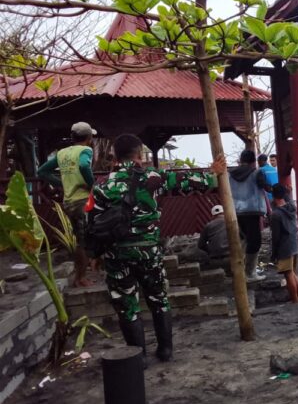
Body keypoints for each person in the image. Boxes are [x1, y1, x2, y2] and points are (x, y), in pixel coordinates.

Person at [90, 133, 226, 361]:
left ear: (115, 156)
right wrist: (213, 172)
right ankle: (165, 350)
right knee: (158, 299)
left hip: (116, 254)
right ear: (139, 155)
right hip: (149, 252)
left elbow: (93, 223)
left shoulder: (102, 186)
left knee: (127, 306)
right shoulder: (153, 177)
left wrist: (95, 254)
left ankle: (137, 357)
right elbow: (193, 181)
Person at [37, 121, 97, 287]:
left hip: (69, 202)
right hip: (82, 201)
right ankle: (81, 278)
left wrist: (61, 183)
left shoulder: (62, 153)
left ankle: (80, 275)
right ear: (89, 137)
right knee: (84, 241)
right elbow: (84, 165)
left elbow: (41, 171)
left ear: (72, 136)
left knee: (80, 239)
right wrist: (92, 184)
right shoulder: (86, 150)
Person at [229, 149, 268, 279]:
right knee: (255, 241)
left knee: (244, 239)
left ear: (241, 160)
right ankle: (250, 272)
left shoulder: (230, 174)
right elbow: (266, 187)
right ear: (253, 161)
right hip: (252, 210)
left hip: (236, 211)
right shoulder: (257, 173)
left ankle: (241, 270)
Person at [270, 183, 298, 304]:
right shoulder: (292, 207)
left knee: (288, 274)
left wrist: (274, 253)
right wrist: (288, 191)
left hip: (284, 246)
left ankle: (295, 300)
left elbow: (275, 236)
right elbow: (287, 198)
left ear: (273, 195)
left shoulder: (275, 215)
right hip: (294, 243)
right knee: (293, 273)